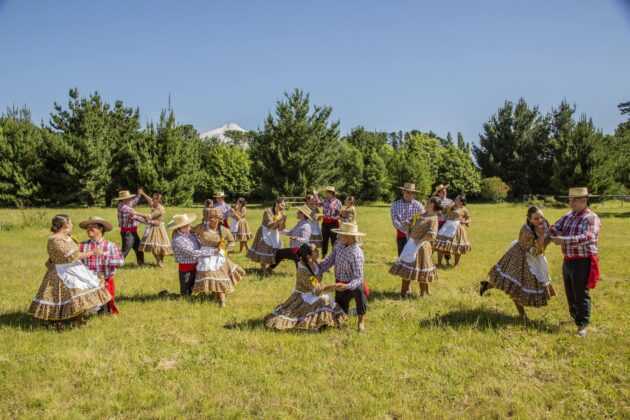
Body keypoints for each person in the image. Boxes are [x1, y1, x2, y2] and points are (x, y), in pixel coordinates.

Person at [28, 215, 111, 326]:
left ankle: (77, 319)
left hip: (74, 268)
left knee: (79, 293)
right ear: (66, 224)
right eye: (70, 222)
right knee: (61, 296)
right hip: (62, 271)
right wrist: (93, 252)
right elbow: (70, 255)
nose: (72, 224)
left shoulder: (68, 237)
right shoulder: (55, 239)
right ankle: (54, 320)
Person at [480, 206, 556, 319]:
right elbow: (535, 252)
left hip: (535, 258)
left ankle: (487, 285)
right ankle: (522, 314)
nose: (540, 220)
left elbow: (548, 235)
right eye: (536, 218)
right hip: (521, 258)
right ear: (529, 219)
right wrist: (541, 236)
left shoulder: (544, 224)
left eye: (542, 217)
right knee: (515, 286)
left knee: (513, 284)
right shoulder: (526, 231)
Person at [549, 187, 602, 337]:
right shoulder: (568, 216)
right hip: (568, 260)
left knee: (581, 294)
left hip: (583, 261)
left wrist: (563, 240)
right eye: (570, 199)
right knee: (570, 293)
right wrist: (557, 233)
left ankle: (582, 327)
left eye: (574, 200)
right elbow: (553, 228)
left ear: (584, 200)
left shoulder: (591, 218)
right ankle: (575, 318)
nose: (570, 202)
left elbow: (589, 236)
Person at [264, 243, 348, 330]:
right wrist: (333, 286)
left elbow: (326, 264)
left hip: (313, 293)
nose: (318, 251)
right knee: (322, 301)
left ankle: (324, 322)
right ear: (308, 256)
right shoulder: (302, 271)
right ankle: (315, 324)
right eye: (315, 250)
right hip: (304, 296)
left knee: (327, 300)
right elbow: (317, 289)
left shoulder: (314, 262)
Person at [319, 222, 368, 333]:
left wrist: (347, 286)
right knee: (340, 316)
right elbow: (329, 261)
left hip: (352, 284)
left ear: (349, 237)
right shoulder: (338, 244)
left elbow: (359, 277)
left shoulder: (356, 254)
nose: (338, 236)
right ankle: (349, 312)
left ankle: (361, 322)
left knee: (360, 292)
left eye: (341, 234)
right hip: (340, 284)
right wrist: (316, 270)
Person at [389, 196, 441, 297]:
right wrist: (408, 235)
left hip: (422, 247)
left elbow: (432, 235)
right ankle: (403, 293)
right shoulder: (422, 214)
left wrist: (419, 241)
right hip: (411, 244)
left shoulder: (434, 218)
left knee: (422, 270)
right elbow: (408, 223)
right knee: (406, 268)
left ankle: (423, 294)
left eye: (428, 202)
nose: (426, 203)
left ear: (432, 205)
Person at [192, 208, 245, 306]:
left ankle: (222, 301)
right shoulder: (201, 227)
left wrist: (225, 250)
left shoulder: (224, 230)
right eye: (210, 217)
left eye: (215, 217)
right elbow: (190, 232)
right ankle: (210, 296)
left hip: (218, 256)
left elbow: (231, 241)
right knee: (208, 273)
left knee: (219, 274)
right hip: (205, 255)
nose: (212, 219)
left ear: (219, 218)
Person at [77, 216, 124, 314]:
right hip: (86, 283)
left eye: (92, 226)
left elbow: (120, 262)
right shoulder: (81, 245)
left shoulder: (110, 246)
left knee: (104, 313)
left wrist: (103, 254)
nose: (89, 229)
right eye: (88, 227)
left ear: (101, 228)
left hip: (104, 283)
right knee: (81, 310)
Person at [169, 213, 215, 297]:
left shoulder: (192, 234)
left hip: (199, 265)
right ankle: (168, 295)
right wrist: (212, 251)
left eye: (188, 225)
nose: (187, 227)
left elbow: (201, 243)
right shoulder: (177, 240)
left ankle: (204, 296)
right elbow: (192, 253)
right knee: (185, 295)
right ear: (178, 228)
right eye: (184, 226)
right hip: (187, 269)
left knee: (202, 288)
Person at [246, 198, 287, 275]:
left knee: (274, 250)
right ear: (276, 203)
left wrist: (283, 221)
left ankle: (269, 268)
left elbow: (280, 228)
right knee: (264, 249)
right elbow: (269, 226)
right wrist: (280, 220)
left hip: (274, 233)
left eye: (284, 206)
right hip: (265, 232)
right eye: (282, 205)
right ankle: (263, 270)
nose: (283, 207)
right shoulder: (267, 212)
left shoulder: (280, 214)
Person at [268, 205, 312, 270]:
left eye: (299, 212)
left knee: (279, 253)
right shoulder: (300, 224)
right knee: (279, 253)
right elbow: (290, 233)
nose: (297, 213)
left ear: (303, 214)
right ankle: (269, 268)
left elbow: (306, 240)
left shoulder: (305, 226)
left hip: (300, 251)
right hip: (295, 250)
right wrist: (279, 229)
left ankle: (269, 269)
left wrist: (296, 238)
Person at [135, 191, 172, 267]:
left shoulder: (159, 209)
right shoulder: (155, 204)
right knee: (157, 246)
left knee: (154, 247)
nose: (152, 199)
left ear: (158, 200)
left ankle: (160, 262)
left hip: (157, 228)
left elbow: (149, 216)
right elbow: (149, 200)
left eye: (154, 198)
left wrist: (136, 213)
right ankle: (160, 262)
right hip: (154, 226)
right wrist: (143, 194)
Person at [433, 194, 471, 267]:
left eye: (457, 199)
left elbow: (469, 219)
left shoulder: (464, 210)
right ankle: (439, 263)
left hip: (457, 228)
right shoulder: (450, 207)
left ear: (461, 202)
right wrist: (437, 210)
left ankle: (456, 264)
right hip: (447, 226)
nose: (455, 199)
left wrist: (465, 222)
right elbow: (442, 212)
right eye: (455, 198)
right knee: (441, 244)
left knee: (458, 246)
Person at [390, 183, 425, 256]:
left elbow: (424, 218)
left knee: (414, 256)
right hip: (402, 234)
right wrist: (406, 230)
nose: (410, 194)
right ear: (403, 191)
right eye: (408, 192)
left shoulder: (418, 205)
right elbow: (394, 220)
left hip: (416, 234)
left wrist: (414, 230)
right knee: (402, 255)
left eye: (412, 193)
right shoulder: (395, 204)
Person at [114, 189, 145, 265]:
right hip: (128, 232)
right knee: (126, 249)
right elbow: (136, 217)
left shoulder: (125, 204)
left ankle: (141, 263)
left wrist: (139, 195)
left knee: (138, 247)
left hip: (132, 231)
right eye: (128, 198)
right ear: (123, 199)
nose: (130, 199)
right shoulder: (124, 208)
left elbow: (133, 202)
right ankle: (114, 264)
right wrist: (150, 222)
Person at [314, 186, 342, 257]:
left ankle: (334, 256)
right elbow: (318, 204)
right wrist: (316, 195)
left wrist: (332, 217)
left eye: (326, 192)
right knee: (325, 240)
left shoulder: (338, 202)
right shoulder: (325, 200)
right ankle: (323, 256)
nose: (325, 193)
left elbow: (339, 215)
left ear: (330, 193)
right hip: (325, 223)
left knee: (334, 241)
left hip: (333, 224)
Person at [433, 184, 454, 263]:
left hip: (447, 223)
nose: (444, 192)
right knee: (438, 242)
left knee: (447, 242)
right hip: (437, 223)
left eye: (445, 190)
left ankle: (448, 261)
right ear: (438, 193)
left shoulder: (450, 201)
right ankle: (438, 262)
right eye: (442, 191)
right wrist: (440, 212)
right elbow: (431, 211)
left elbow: (453, 212)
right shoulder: (435, 201)